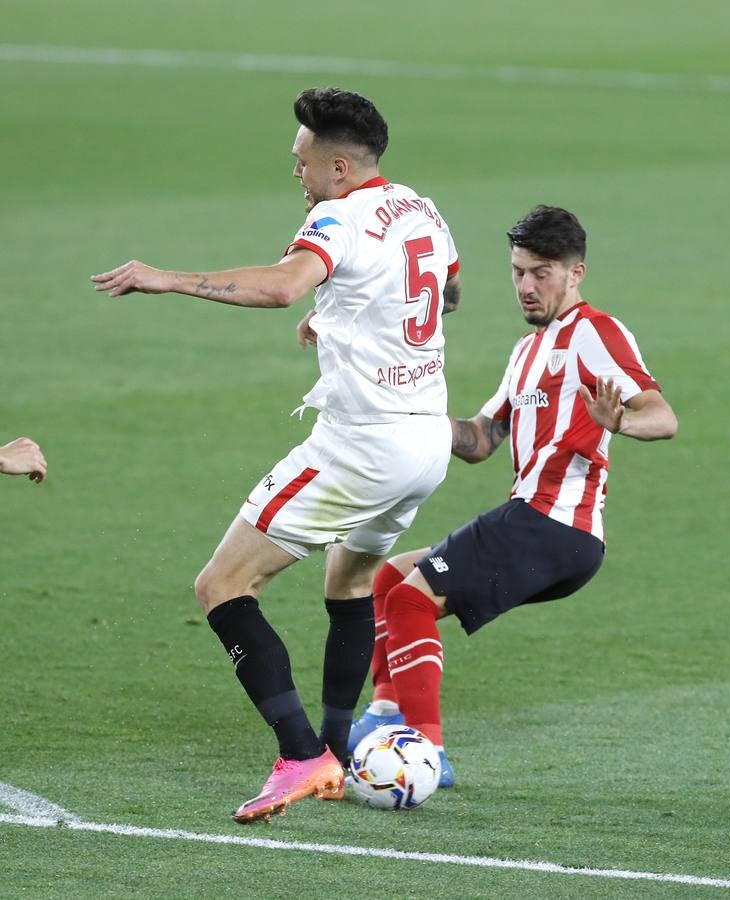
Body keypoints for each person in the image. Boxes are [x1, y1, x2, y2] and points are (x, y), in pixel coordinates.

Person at [91, 87, 461, 822]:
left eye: (302, 161)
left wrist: (167, 278)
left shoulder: (337, 214)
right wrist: (346, 318)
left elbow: (284, 287)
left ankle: (300, 755)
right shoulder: (421, 208)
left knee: (221, 585)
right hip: (426, 441)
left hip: (363, 444)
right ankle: (333, 749)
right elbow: (442, 295)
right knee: (350, 585)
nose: (294, 171)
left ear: (340, 165)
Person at [349, 205, 678, 785]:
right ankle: (384, 713)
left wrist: (619, 421)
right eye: (518, 272)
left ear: (576, 273)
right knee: (390, 580)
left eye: (542, 272)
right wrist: (406, 412)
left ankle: (426, 753)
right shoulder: (526, 353)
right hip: (539, 525)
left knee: (409, 601)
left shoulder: (595, 334)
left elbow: (663, 416)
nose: (527, 286)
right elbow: (480, 441)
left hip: (555, 526)